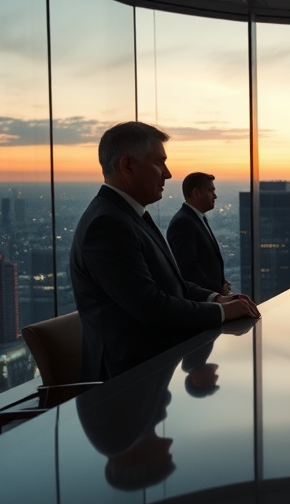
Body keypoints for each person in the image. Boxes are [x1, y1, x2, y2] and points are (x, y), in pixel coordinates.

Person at [70, 121, 259, 382]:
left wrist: (215, 299)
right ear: (127, 165)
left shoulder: (129, 215)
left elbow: (171, 284)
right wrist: (223, 313)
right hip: (125, 387)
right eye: (159, 162)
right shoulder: (108, 224)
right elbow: (150, 306)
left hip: (152, 373)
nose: (168, 174)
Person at [166, 172, 231, 295]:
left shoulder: (195, 218)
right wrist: (216, 290)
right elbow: (188, 268)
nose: (215, 196)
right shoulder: (183, 222)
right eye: (211, 191)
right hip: (202, 301)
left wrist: (221, 282)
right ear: (196, 193)